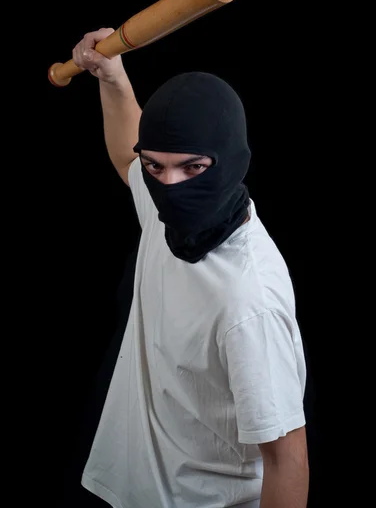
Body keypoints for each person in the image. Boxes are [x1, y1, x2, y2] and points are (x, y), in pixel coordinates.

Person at [72, 28, 309, 508]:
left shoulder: (247, 300)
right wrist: (112, 77)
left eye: (193, 168)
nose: (169, 185)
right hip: (136, 489)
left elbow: (288, 461)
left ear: (229, 162)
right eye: (156, 167)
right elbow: (126, 155)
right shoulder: (169, 215)